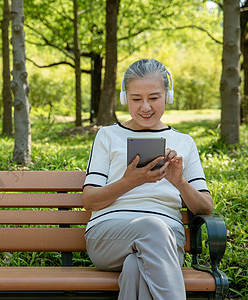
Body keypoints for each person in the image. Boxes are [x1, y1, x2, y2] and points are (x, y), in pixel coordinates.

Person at [83, 58, 213, 300]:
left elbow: (205, 207)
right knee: (152, 227)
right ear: (125, 98)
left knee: (135, 268)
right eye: (136, 99)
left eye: (154, 98)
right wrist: (130, 181)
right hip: (108, 237)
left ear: (168, 96)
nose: (145, 107)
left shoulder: (185, 142)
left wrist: (180, 182)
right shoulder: (107, 136)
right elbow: (89, 200)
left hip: (167, 240)